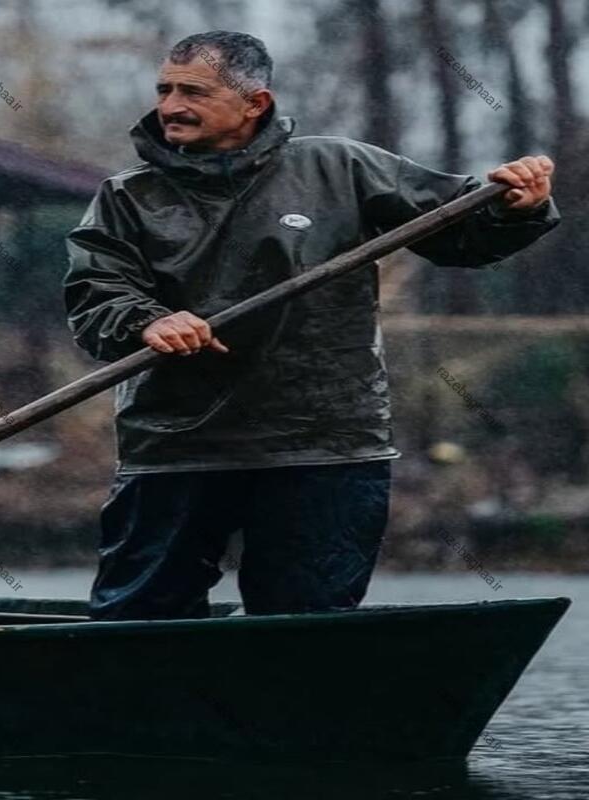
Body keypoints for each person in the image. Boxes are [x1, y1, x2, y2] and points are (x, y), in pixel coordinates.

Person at [63, 30, 559, 620]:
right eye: (164, 89)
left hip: (327, 445)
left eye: (192, 91)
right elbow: (95, 295)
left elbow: (463, 235)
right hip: (176, 444)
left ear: (255, 103)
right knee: (138, 617)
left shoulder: (341, 167)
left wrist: (516, 206)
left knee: (306, 620)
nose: (169, 106)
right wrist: (149, 321)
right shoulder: (126, 197)